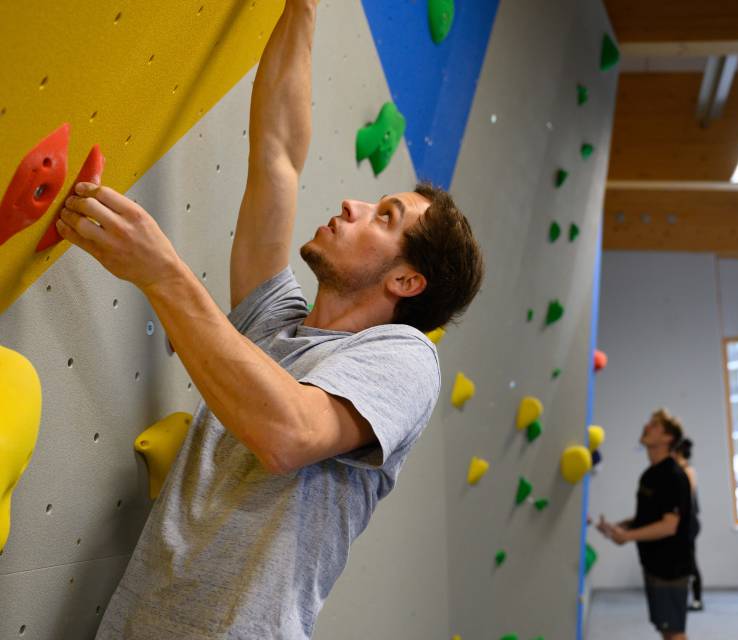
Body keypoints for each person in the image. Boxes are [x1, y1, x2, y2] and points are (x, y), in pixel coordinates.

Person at [56, 1, 484, 637]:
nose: (354, 204)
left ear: (405, 281)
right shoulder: (275, 330)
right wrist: (303, 6)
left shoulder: (406, 359)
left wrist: (161, 273)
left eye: (385, 217)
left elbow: (287, 432)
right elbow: (277, 152)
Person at [597, 409, 692, 640]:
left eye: (654, 425)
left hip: (671, 567)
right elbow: (650, 517)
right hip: (653, 563)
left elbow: (669, 525)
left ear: (668, 438)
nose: (647, 427)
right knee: (665, 628)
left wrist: (628, 537)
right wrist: (619, 527)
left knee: (674, 632)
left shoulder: (673, 475)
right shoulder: (649, 475)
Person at [673, 437, 703, 611]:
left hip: (689, 523)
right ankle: (682, 597)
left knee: (690, 563)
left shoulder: (687, 470)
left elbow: (685, 497)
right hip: (682, 523)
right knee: (683, 562)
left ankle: (697, 600)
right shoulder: (678, 470)